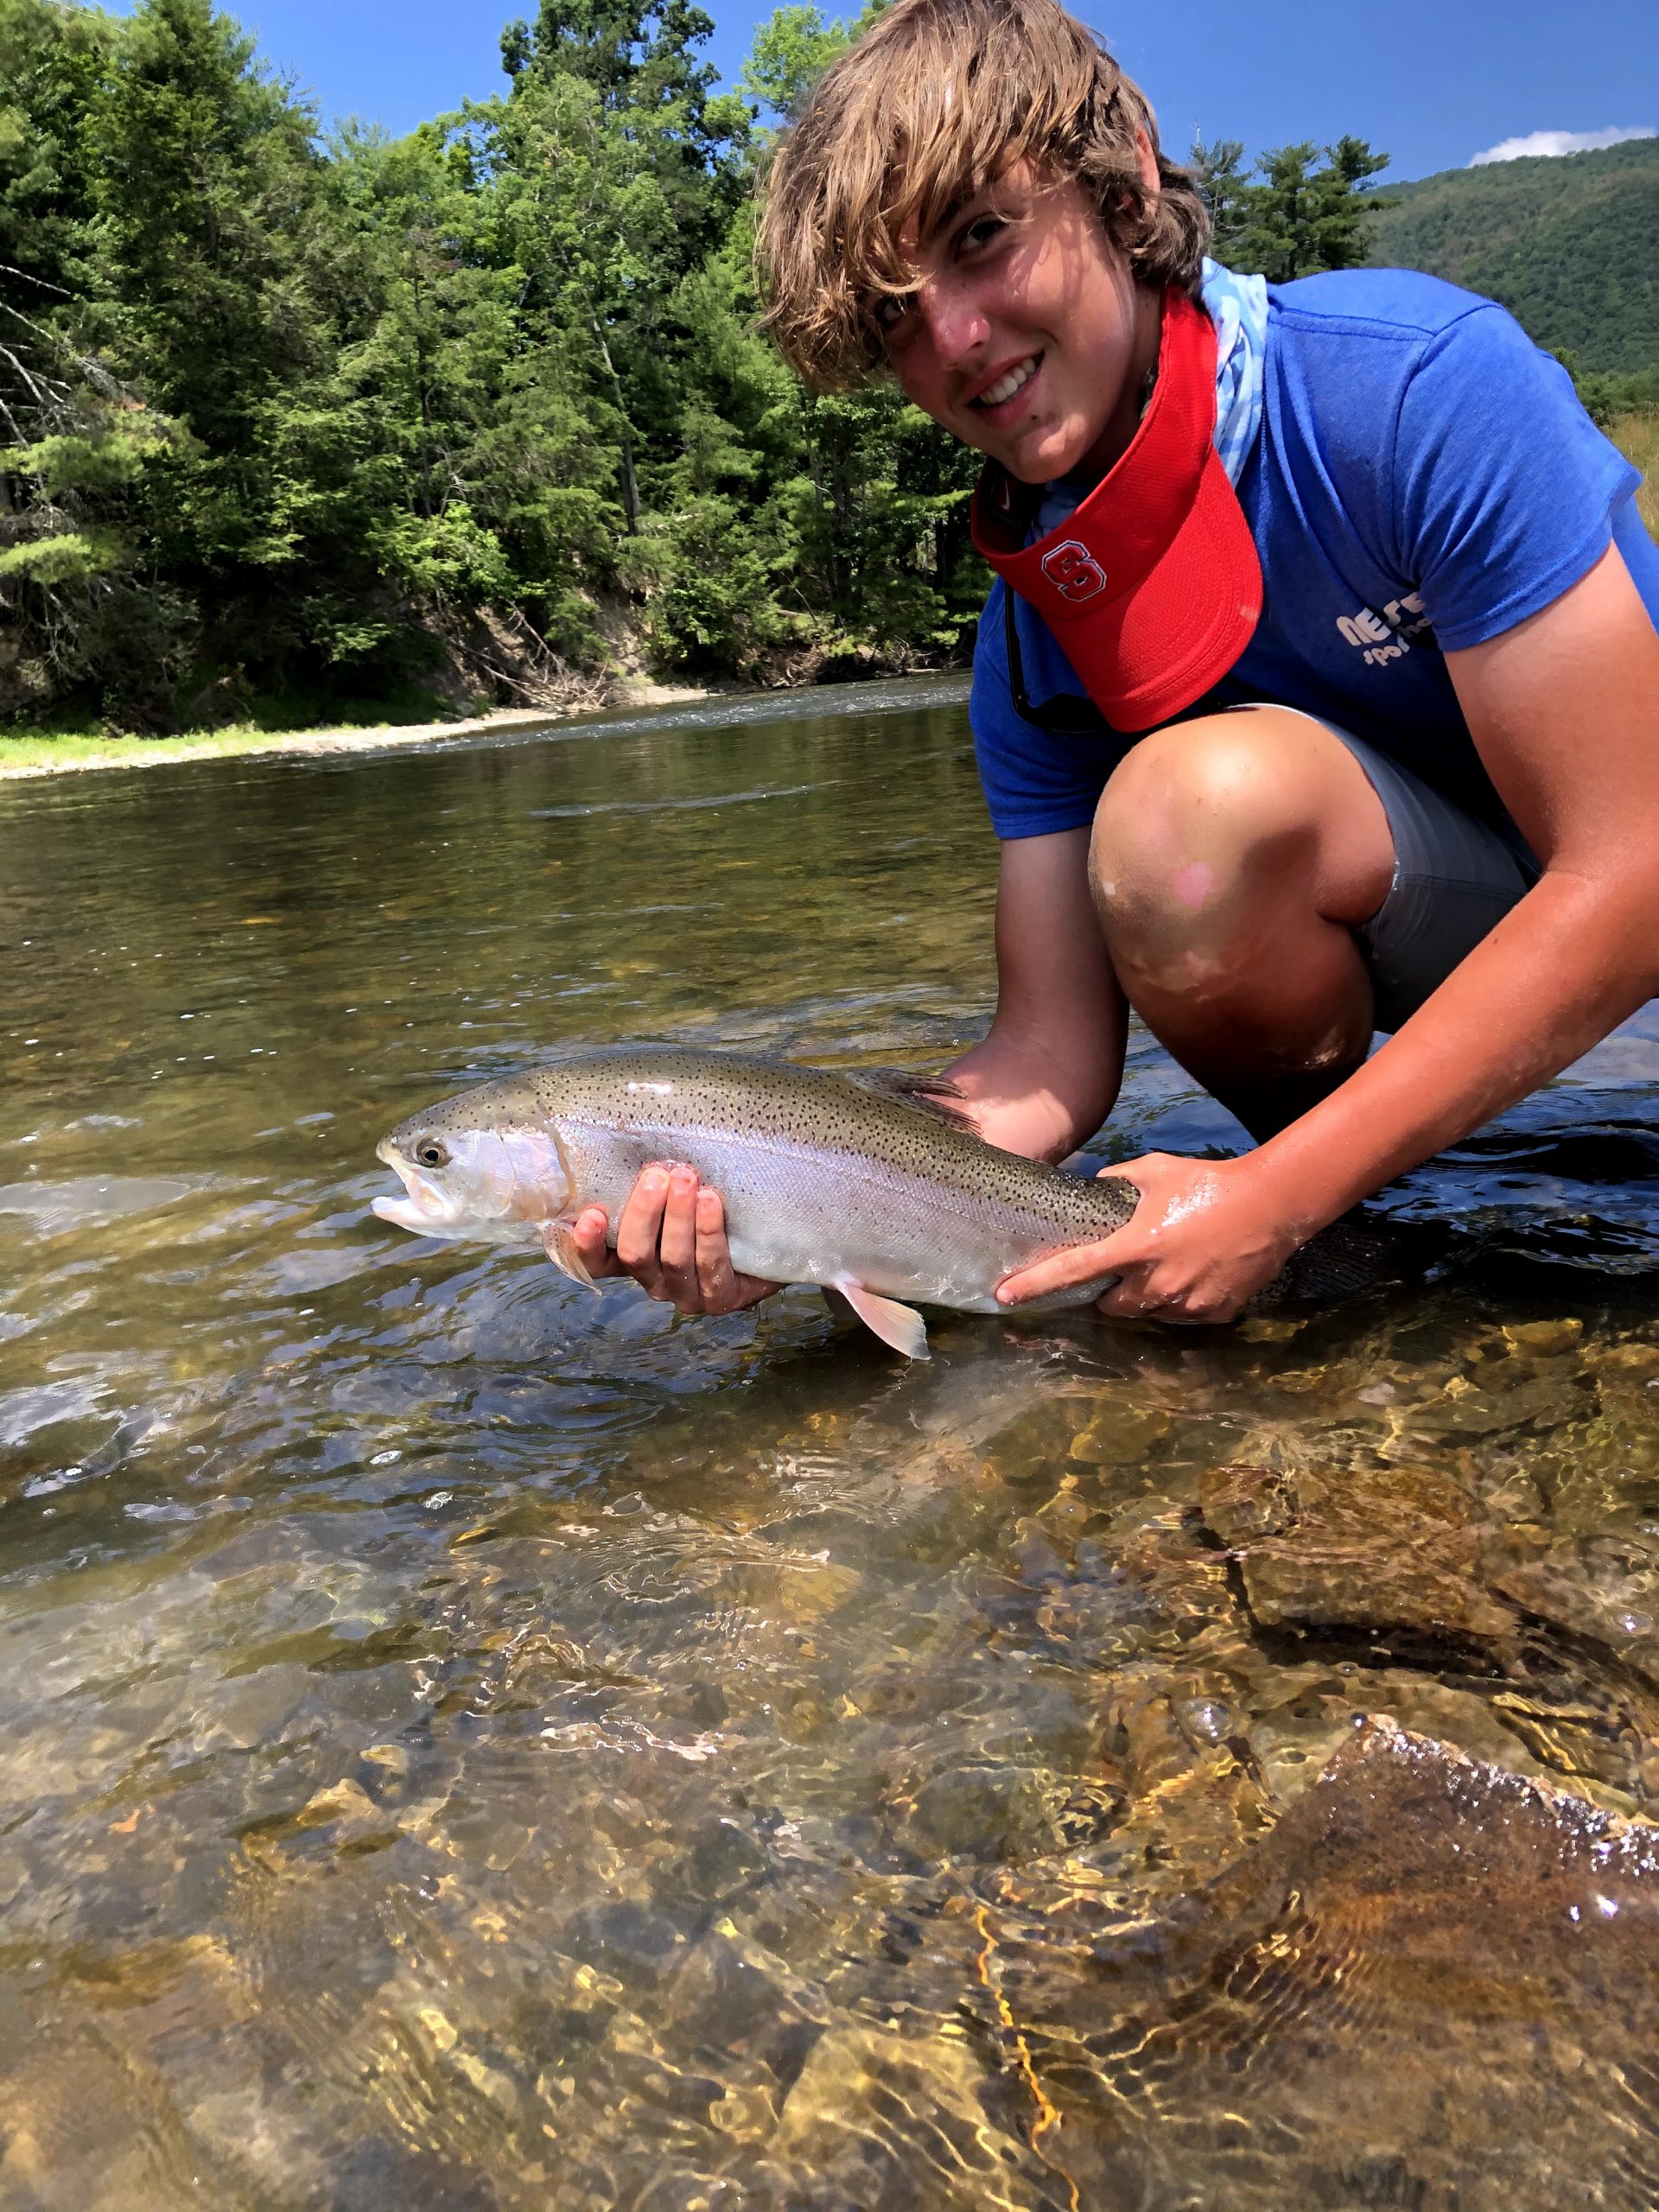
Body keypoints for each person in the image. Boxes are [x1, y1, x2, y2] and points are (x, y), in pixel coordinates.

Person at [572, 0, 1659, 1325]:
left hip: (1622, 868)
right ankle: (1362, 1247)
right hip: (1488, 913)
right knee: (1178, 837)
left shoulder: (1410, 393)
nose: (956, 341)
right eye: (897, 318)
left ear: (1125, 177)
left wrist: (1269, 1194)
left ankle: (1306, 1200)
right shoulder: (1033, 639)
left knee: (1194, 807)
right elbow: (1044, 1066)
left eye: (982, 238)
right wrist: (787, 1208)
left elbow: (1636, 868)